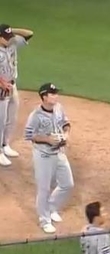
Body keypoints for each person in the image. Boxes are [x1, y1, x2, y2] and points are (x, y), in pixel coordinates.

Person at [24, 82, 74, 234]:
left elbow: (66, 123)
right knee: (44, 189)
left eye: (56, 93)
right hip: (43, 155)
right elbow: (29, 135)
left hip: (59, 152)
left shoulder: (59, 108)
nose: (56, 96)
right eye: (52, 94)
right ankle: (44, 220)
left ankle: (52, 207)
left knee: (67, 184)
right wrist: (47, 139)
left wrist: (66, 134)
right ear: (44, 97)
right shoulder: (35, 116)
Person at [0, 24, 33, 163]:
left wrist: (11, 30)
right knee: (1, 120)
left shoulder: (13, 42)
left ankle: (5, 144)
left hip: (12, 86)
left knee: (11, 118)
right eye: (5, 37)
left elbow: (29, 33)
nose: (9, 39)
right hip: (1, 88)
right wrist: (2, 84)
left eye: (9, 37)